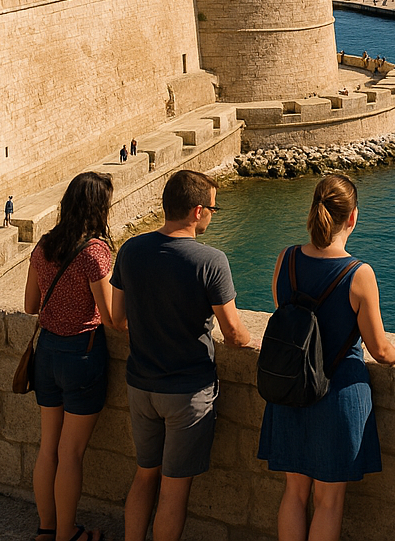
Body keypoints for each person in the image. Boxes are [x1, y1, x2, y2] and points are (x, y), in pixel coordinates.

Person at [258, 174, 395, 541]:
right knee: (328, 502)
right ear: (352, 218)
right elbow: (379, 349)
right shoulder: (359, 274)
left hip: (290, 390)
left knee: (294, 493)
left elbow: (289, 320)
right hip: (337, 395)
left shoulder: (286, 258)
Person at [112, 170, 251, 541]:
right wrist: (250, 338)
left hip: (141, 386)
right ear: (198, 210)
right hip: (187, 393)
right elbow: (234, 333)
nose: (212, 216)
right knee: (174, 489)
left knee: (144, 475)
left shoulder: (130, 249)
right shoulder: (210, 261)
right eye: (213, 209)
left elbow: (117, 317)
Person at [23, 171, 119, 541]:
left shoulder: (44, 246)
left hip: (46, 352)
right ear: (98, 207)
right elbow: (110, 317)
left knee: (48, 447)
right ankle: (69, 535)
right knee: (71, 452)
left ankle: (46, 530)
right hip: (82, 353)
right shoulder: (95, 252)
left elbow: (31, 305)